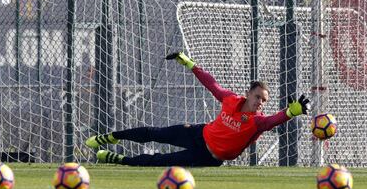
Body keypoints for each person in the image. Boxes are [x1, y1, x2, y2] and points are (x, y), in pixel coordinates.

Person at [85, 52, 310, 166]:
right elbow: (211, 84)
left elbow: (273, 121)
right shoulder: (231, 99)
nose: (260, 102)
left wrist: (292, 112)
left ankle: (117, 160)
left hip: (206, 156)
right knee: (155, 133)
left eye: (264, 101)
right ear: (249, 93)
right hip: (198, 133)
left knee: (160, 162)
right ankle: (110, 137)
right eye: (258, 97)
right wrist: (189, 64)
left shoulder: (257, 121)